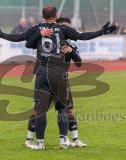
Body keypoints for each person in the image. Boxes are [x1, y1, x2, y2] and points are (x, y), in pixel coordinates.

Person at [0, 5, 116, 150]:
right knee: (62, 108)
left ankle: (40, 143)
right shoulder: (63, 28)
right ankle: (63, 141)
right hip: (60, 72)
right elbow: (82, 36)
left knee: (40, 109)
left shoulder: (38, 28)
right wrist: (102, 31)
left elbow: (19, 38)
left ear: (42, 15)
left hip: (43, 71)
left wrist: (1, 35)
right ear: (56, 15)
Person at [24, 17, 87, 149]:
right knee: (38, 110)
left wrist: (72, 52)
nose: (66, 31)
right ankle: (29, 139)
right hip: (45, 79)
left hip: (62, 81)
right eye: (63, 27)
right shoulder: (47, 43)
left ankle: (75, 139)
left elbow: (79, 63)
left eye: (68, 28)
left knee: (68, 110)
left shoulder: (71, 46)